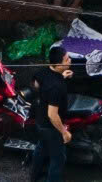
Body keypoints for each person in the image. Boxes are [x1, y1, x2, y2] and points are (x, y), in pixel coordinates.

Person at [27, 48, 75, 181]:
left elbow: (35, 85)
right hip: (50, 127)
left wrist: (61, 76)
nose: (70, 60)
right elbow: (52, 115)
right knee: (58, 159)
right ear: (59, 65)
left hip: (39, 121)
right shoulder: (56, 87)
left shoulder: (43, 72)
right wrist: (64, 132)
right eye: (67, 59)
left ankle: (34, 176)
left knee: (41, 147)